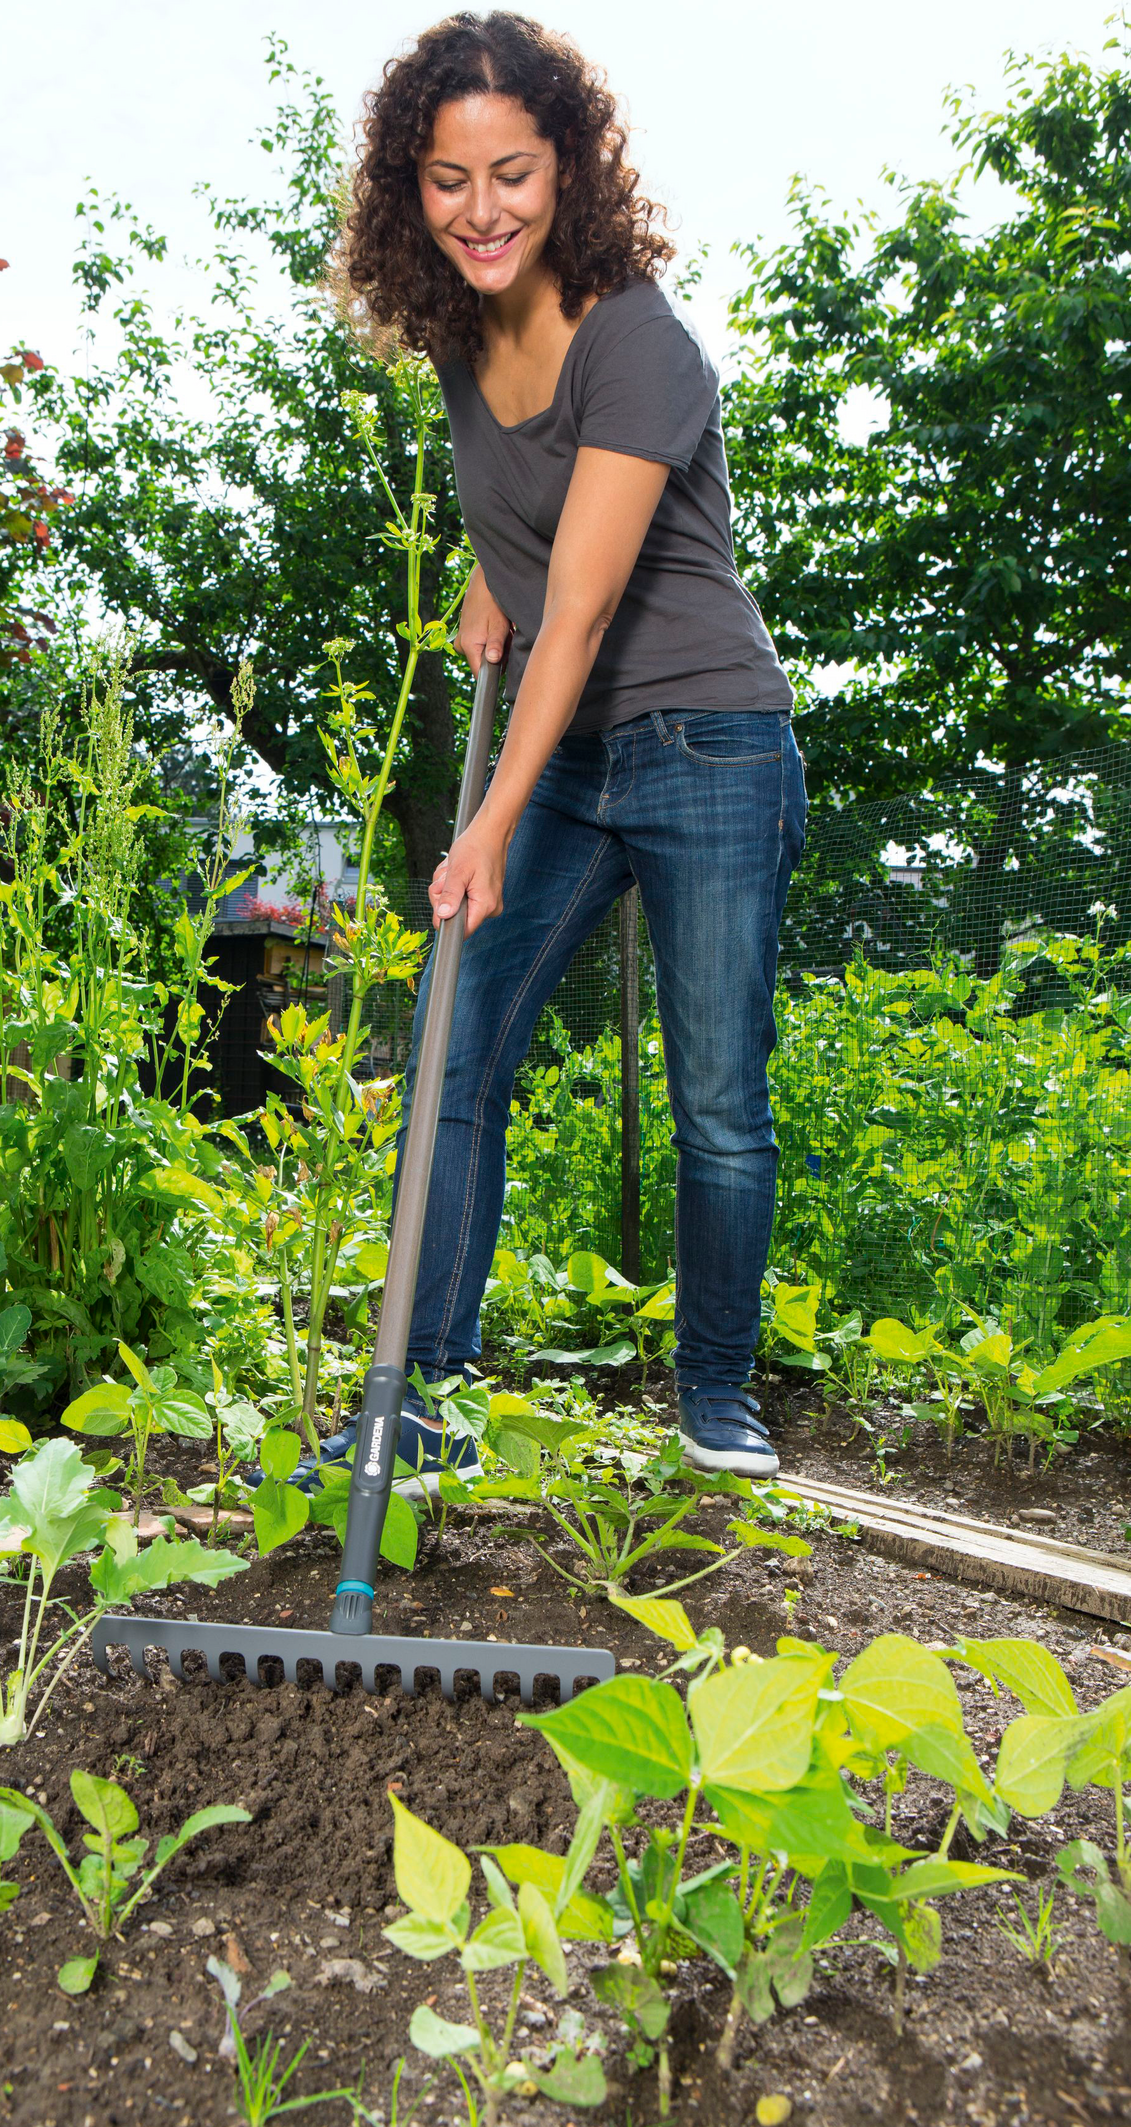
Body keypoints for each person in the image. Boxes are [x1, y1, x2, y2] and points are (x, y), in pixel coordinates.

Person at [310, 9, 805, 1485]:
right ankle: (422, 1394)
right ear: (413, 191)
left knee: (718, 1097)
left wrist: (486, 824)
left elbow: (583, 613)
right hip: (573, 748)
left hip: (709, 740)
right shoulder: (465, 330)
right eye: (449, 182)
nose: (482, 212)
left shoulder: (640, 339)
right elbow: (536, 528)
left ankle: (716, 1389)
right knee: (458, 1055)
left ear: (571, 165)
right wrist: (487, 571)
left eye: (512, 175)